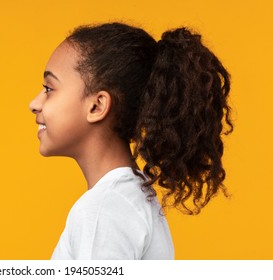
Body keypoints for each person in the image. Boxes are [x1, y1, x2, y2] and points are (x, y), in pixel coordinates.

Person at [28, 22, 233, 260]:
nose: (34, 103)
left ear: (97, 106)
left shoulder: (105, 207)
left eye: (49, 88)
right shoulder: (128, 197)